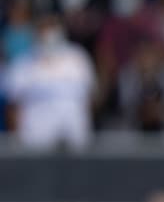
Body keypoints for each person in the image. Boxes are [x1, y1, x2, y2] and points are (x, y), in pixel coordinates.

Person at [4, 13, 95, 152]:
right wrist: (17, 143)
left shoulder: (78, 58)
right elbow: (13, 107)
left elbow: (88, 99)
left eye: (52, 27)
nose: (49, 33)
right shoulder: (22, 64)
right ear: (36, 32)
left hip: (74, 141)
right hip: (35, 142)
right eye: (44, 28)